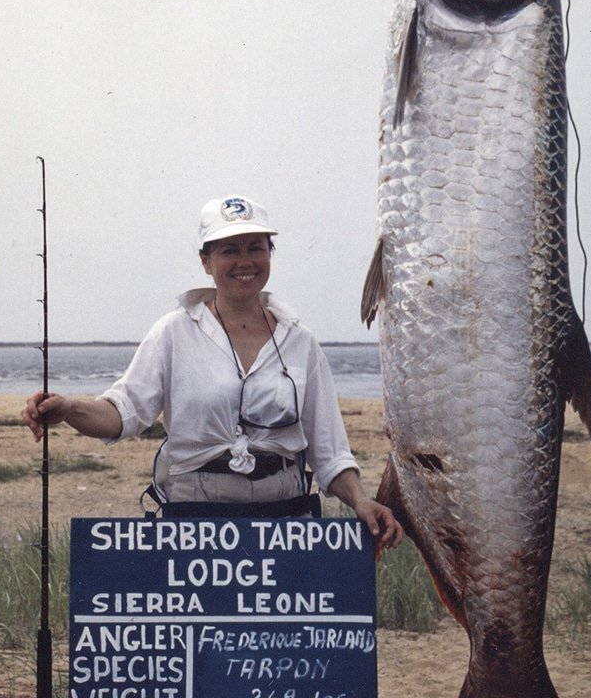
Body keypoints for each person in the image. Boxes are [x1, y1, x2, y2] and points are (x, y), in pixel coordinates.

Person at [22, 195, 403, 548]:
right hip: (194, 513)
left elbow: (329, 451)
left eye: (256, 247)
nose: (245, 261)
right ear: (206, 261)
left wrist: (360, 501)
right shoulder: (173, 332)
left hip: (286, 517)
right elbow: (123, 413)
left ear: (270, 254)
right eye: (229, 250)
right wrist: (70, 408)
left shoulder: (301, 341)